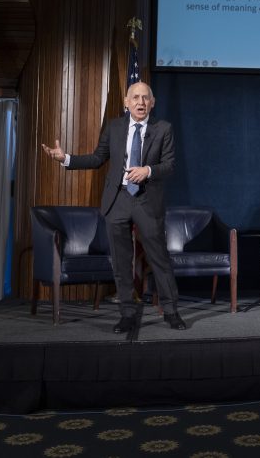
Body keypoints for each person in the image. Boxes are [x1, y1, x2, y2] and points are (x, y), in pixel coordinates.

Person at [40, 81, 185, 332]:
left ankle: (171, 312)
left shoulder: (163, 129)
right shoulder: (115, 127)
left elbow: (170, 165)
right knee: (120, 262)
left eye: (145, 98)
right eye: (135, 97)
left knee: (159, 258)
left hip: (147, 201)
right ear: (126, 103)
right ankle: (127, 314)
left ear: (153, 103)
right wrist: (66, 159)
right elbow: (98, 158)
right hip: (117, 200)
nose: (140, 102)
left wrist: (148, 170)